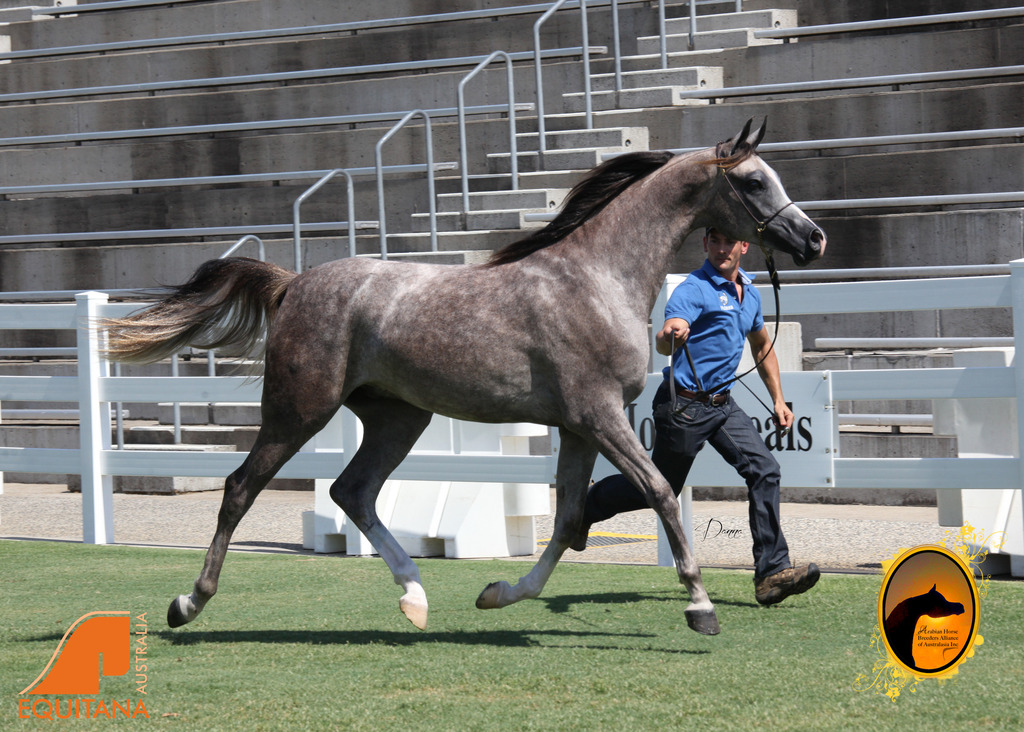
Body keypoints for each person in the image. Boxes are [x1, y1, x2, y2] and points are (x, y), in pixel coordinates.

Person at [572, 227, 819, 606]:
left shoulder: (749, 293)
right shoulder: (693, 289)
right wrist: (671, 334)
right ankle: (586, 506)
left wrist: (779, 401)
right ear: (705, 244)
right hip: (683, 406)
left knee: (764, 469)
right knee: (662, 488)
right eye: (714, 241)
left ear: (744, 246)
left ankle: (771, 574)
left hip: (722, 405)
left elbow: (762, 346)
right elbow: (667, 331)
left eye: (729, 242)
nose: (722, 249)